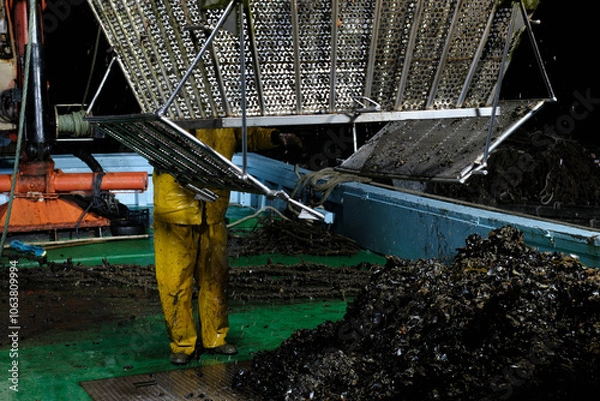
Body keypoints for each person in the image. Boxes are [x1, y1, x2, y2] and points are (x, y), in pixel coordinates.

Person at [153, 127, 301, 365]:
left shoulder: (222, 110)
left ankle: (215, 339)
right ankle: (182, 344)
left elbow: (247, 134)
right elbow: (153, 141)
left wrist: (275, 137)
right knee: (173, 281)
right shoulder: (170, 109)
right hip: (175, 212)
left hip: (213, 209)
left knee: (215, 279)